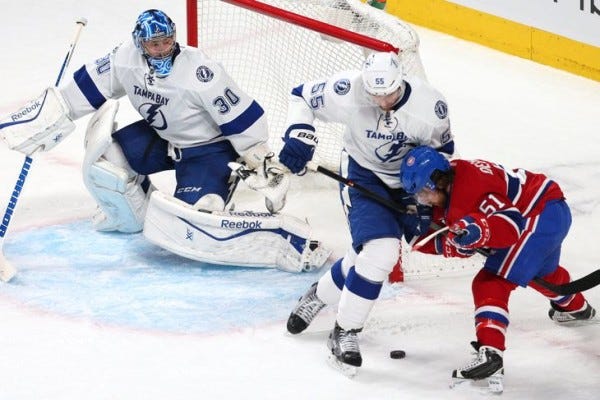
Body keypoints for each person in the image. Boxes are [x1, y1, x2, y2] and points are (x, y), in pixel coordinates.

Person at [0, 9, 328, 273]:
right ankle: (131, 216)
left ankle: (270, 232)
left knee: (194, 220)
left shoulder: (201, 72)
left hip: (208, 151)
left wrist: (259, 160)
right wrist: (43, 122)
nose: (161, 49)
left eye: (167, 41)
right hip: (160, 139)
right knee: (105, 159)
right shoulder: (124, 58)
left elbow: (241, 116)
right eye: (154, 44)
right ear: (139, 43)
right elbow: (82, 92)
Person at [279, 51, 455, 372]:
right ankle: (345, 331)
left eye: (389, 93)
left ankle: (320, 294)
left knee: (367, 257)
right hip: (362, 175)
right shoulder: (349, 90)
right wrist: (299, 135)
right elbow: (301, 96)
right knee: (382, 251)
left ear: (400, 80)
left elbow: (444, 156)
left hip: (412, 184)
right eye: (376, 95)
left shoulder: (430, 107)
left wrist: (433, 197)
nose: (383, 101)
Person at [399, 145, 596, 392]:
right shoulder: (453, 180)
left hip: (537, 214)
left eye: (424, 193)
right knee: (541, 275)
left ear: (439, 180)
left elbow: (510, 226)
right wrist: (445, 240)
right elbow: (443, 232)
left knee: (491, 282)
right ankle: (578, 309)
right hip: (547, 210)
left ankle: (491, 353)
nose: (423, 200)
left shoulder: (471, 188)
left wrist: (479, 231)